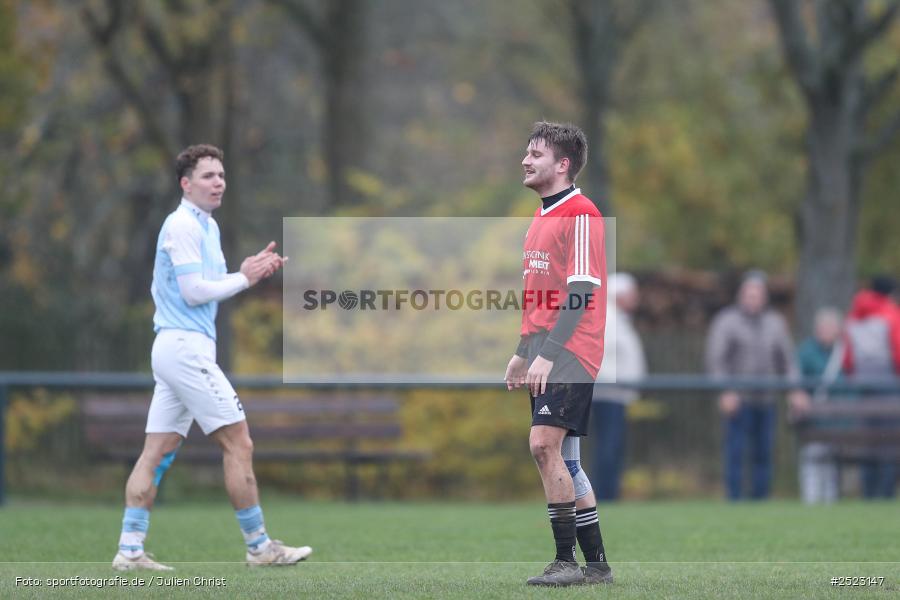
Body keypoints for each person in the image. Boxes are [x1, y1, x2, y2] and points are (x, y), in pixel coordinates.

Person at [111, 144, 311, 571]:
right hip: (184, 349)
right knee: (239, 442)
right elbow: (192, 292)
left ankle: (129, 550)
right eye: (208, 176)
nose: (218, 182)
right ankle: (259, 547)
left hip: (176, 348)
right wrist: (242, 278)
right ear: (186, 184)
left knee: (157, 451)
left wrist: (245, 272)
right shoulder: (182, 225)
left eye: (221, 175)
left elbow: (208, 283)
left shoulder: (207, 226)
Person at [504, 122, 611, 586]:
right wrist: (523, 352)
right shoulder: (541, 216)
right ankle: (598, 567)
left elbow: (582, 288)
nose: (526, 160)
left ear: (562, 164)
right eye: (526, 153)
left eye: (536, 154)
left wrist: (548, 353)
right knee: (566, 462)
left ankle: (565, 562)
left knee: (541, 445)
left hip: (571, 352)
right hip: (549, 351)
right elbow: (540, 298)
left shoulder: (581, 212)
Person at [705, 271, 808, 501]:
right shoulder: (726, 321)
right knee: (736, 453)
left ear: (764, 297)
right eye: (749, 294)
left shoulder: (775, 323)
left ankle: (760, 500)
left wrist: (795, 389)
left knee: (764, 453)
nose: (753, 299)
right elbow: (716, 360)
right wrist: (725, 391)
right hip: (738, 400)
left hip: (767, 399)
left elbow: (787, 361)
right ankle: (735, 500)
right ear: (741, 295)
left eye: (758, 294)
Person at [591, 272, 647, 501]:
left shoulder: (617, 319)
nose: (636, 299)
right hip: (608, 394)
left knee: (612, 446)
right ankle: (604, 495)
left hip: (617, 394)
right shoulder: (608, 319)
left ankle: (608, 493)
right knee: (608, 446)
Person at [843, 276, 900, 499]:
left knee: (867, 441)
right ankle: (885, 493)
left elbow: (848, 358)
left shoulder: (854, 316)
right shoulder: (890, 314)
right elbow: (897, 351)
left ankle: (868, 492)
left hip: (862, 386)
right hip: (888, 385)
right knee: (888, 440)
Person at [796, 307, 845, 504]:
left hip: (837, 417)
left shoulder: (844, 352)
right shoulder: (807, 351)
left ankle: (830, 500)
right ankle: (811, 499)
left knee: (831, 463)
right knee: (813, 458)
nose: (827, 331)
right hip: (815, 417)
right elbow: (796, 377)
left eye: (831, 327)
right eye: (823, 327)